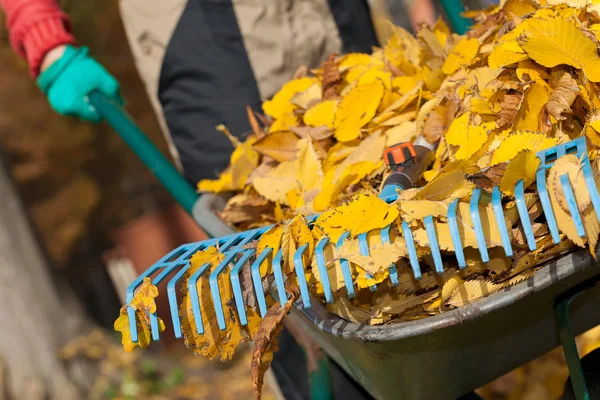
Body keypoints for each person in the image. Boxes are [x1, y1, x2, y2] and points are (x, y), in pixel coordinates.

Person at [0, 1, 434, 399]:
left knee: (404, 239)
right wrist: (41, 31)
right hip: (202, 35)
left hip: (327, 13)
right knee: (283, 283)